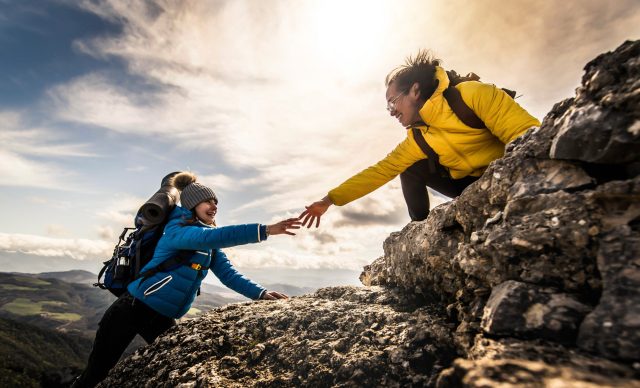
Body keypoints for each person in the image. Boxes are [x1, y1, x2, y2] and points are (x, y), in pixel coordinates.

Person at [73, 172, 301, 387]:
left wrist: (260, 293)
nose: (214, 207)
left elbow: (229, 274)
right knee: (96, 373)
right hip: (130, 309)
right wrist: (266, 230)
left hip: (161, 317)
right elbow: (216, 235)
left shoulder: (206, 243)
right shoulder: (178, 231)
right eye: (208, 201)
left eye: (216, 202)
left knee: (173, 366)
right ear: (192, 205)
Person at [300, 50, 541, 226]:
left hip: (505, 173)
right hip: (466, 186)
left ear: (415, 90)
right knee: (409, 167)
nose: (392, 111)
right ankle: (422, 229)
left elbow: (526, 135)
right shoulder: (418, 137)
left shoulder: (472, 96)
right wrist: (329, 200)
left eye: (393, 102)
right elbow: (380, 171)